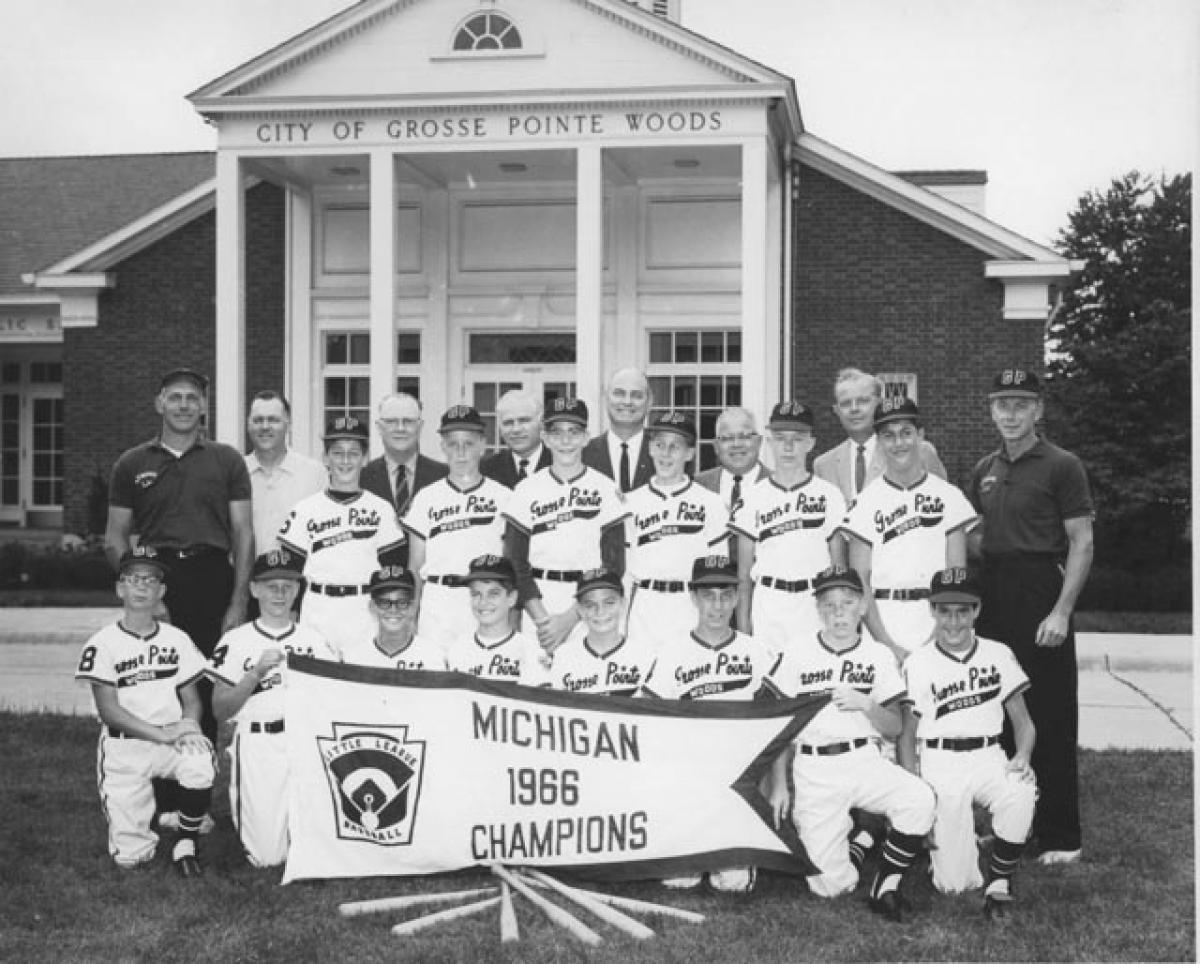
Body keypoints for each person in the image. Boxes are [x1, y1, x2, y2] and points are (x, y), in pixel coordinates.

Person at [969, 367, 1094, 866]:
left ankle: (1061, 834)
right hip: (994, 592)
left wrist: (1061, 611)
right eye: (1003, 404)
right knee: (1000, 713)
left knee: (1051, 715)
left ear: (1038, 410)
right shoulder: (984, 469)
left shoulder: (1063, 465)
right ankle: (1012, 826)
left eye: (1022, 403)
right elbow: (978, 534)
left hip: (1042, 591)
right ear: (991, 410)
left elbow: (1082, 542)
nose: (1012, 413)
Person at [763, 566, 935, 921]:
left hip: (864, 759)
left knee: (919, 799)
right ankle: (861, 843)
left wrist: (867, 704)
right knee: (829, 886)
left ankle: (884, 885)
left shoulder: (877, 655)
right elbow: (778, 725)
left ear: (862, 606)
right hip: (815, 768)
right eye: (829, 604)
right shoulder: (797, 652)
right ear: (818, 609)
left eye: (847, 602)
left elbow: (894, 727)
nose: (838, 612)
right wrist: (780, 784)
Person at [105, 367, 254, 744]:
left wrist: (238, 601)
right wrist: (142, 591)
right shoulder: (132, 463)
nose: (184, 405)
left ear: (204, 405)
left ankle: (195, 793)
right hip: (157, 577)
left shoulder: (227, 460)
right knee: (156, 684)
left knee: (202, 682)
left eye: (192, 398)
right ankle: (158, 795)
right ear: (159, 403)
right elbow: (114, 536)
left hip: (211, 578)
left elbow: (243, 532)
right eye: (175, 397)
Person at [899, 567, 1037, 918]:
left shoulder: (997, 653)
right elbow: (907, 734)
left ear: (977, 610)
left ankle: (1000, 880)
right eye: (944, 611)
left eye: (963, 611)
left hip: (989, 754)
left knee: (1020, 791)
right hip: (940, 760)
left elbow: (1024, 723)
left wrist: (1023, 755)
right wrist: (915, 793)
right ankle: (951, 850)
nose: (954, 621)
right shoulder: (919, 662)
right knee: (955, 884)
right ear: (932, 611)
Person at [641, 554, 779, 893]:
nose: (717, 606)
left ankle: (732, 840)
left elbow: (780, 725)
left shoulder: (757, 652)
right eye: (708, 595)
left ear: (736, 597)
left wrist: (776, 784)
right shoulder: (672, 652)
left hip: (739, 777)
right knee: (679, 881)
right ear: (693, 597)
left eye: (725, 595)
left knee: (732, 883)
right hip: (690, 774)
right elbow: (648, 718)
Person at [75, 546, 214, 878]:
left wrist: (190, 726)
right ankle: (141, 818)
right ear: (120, 588)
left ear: (161, 592)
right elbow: (110, 711)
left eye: (150, 580)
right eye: (133, 579)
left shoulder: (177, 638)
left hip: (170, 737)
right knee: (132, 859)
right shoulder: (102, 643)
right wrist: (160, 735)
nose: (141, 587)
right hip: (126, 747)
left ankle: (186, 842)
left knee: (199, 763)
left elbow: (192, 699)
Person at [210, 548, 336, 868]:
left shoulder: (316, 640)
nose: (280, 593)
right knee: (267, 857)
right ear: (254, 589)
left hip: (304, 743)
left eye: (288, 585)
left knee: (316, 845)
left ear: (298, 589)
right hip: (259, 742)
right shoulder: (235, 641)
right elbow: (220, 711)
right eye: (270, 585)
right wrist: (254, 674)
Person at [841, 397, 977, 659]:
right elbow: (861, 581)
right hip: (882, 618)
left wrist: (936, 635)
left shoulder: (949, 496)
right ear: (879, 442)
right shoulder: (865, 502)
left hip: (937, 619)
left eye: (906, 433)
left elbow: (957, 575)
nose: (898, 443)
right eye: (888, 436)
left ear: (921, 435)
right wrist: (886, 645)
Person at [503, 397, 628, 652]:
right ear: (545, 438)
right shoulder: (526, 490)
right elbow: (515, 563)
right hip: (539, 602)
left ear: (586, 437)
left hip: (591, 604)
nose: (566, 441)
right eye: (556, 433)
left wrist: (571, 618)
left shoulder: (604, 488)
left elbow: (615, 563)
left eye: (574, 432)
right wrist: (543, 621)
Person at [278, 414, 406, 657]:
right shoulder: (305, 509)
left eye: (353, 453)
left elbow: (394, 568)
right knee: (316, 685)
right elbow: (290, 572)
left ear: (365, 458)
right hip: (318, 606)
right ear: (325, 458)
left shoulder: (380, 509)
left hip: (363, 609)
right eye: (337, 453)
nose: (345, 461)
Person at [732, 402, 846, 656]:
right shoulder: (753, 497)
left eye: (797, 439)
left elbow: (838, 570)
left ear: (811, 443)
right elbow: (743, 576)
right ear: (769, 442)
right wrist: (743, 633)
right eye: (781, 438)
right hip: (769, 604)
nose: (788, 447)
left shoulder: (829, 495)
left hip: (814, 604)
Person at [404, 405, 511, 650]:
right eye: (453, 444)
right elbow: (416, 564)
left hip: (484, 601)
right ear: (442, 446)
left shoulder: (503, 497)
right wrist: (412, 613)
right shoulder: (427, 497)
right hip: (438, 600)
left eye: (469, 444)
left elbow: (509, 562)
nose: (461, 452)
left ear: (483, 444)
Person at [623, 411, 728, 648]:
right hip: (645, 608)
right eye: (659, 445)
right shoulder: (630, 503)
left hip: (689, 606)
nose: (666, 453)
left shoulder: (711, 503)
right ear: (649, 448)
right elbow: (626, 575)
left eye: (675, 446)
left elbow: (718, 574)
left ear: (690, 453)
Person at [814, 368, 947, 502]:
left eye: (863, 401)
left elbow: (943, 505)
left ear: (878, 403)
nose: (854, 408)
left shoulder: (918, 451)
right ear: (836, 410)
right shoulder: (823, 466)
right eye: (845, 403)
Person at [443, 554, 550, 685]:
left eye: (493, 594)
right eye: (476, 594)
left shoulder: (530, 651)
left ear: (512, 598)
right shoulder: (457, 649)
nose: (483, 602)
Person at [549, 568, 655, 695]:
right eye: (590, 605)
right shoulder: (563, 657)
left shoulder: (645, 657)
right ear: (580, 610)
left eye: (609, 603)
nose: (600, 612)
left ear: (623, 604)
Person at [244, 390, 326, 554]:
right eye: (258, 420)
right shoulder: (235, 472)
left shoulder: (314, 474)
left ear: (288, 424)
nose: (265, 426)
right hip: (248, 578)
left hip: (299, 577)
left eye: (273, 420)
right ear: (248, 424)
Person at [360, 392, 449, 526]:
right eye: (391, 421)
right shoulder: (361, 478)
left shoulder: (444, 476)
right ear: (379, 427)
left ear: (420, 427)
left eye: (408, 421)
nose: (400, 428)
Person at [347, 566, 449, 669]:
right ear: (372, 607)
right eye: (384, 602)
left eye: (402, 603)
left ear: (413, 607)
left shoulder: (432, 656)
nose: (393, 610)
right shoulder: (354, 657)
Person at [582, 367, 655, 492]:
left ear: (649, 403)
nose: (627, 402)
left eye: (636, 395)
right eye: (619, 393)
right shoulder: (583, 455)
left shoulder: (666, 456)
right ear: (606, 399)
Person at [694, 406, 770, 515]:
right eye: (727, 438)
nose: (736, 444)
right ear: (716, 446)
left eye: (744, 436)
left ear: (758, 441)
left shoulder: (779, 486)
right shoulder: (697, 486)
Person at [481, 389, 552, 488]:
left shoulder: (561, 464)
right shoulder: (485, 470)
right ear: (499, 428)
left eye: (524, 420)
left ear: (542, 423)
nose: (516, 429)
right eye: (508, 422)